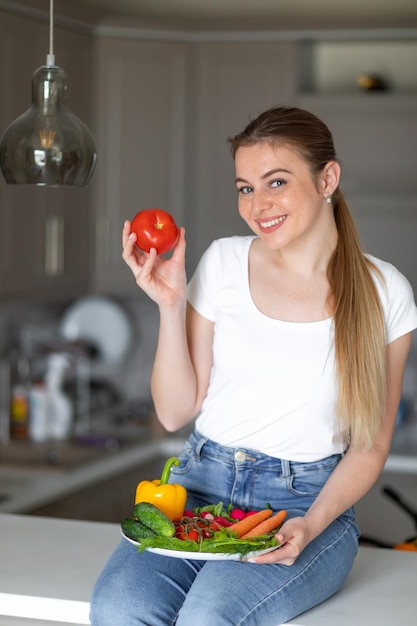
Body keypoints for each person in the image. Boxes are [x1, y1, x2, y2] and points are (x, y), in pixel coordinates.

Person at [90, 106, 417, 626]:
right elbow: (175, 413)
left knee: (208, 618)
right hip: (198, 489)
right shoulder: (222, 262)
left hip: (305, 505)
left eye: (276, 183)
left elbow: (371, 444)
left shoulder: (385, 292)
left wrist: (313, 525)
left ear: (327, 178)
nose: (258, 205)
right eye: (245, 188)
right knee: (117, 610)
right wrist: (170, 306)